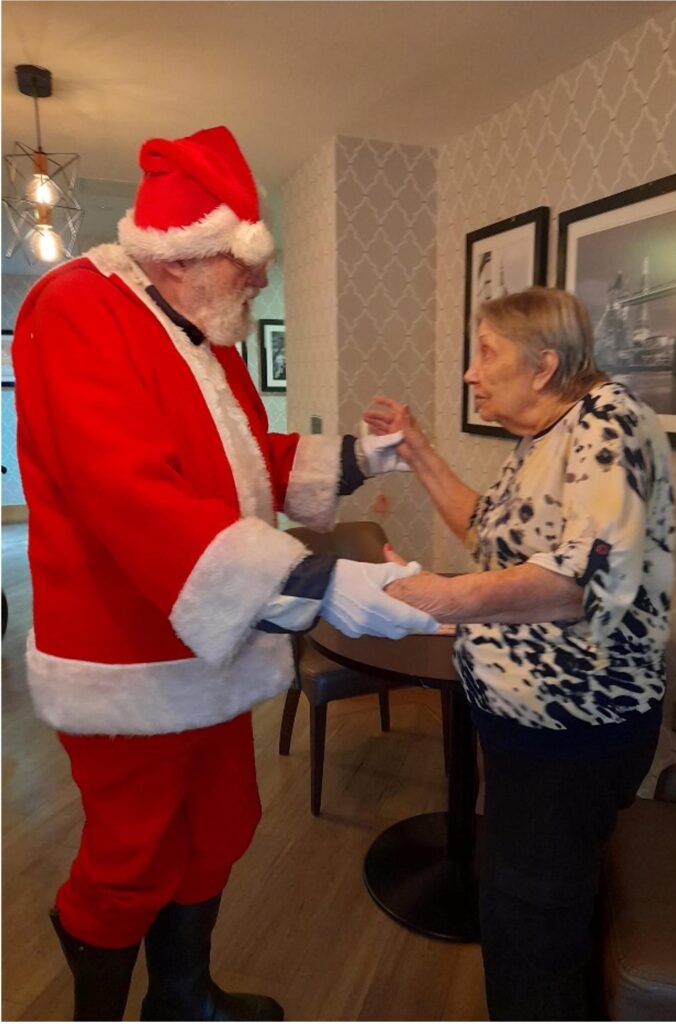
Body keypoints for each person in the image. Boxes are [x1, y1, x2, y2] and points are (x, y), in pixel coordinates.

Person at [12, 125, 437, 1023]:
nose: (259, 280)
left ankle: (181, 997)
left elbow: (253, 458)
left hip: (213, 643)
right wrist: (319, 582)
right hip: (127, 654)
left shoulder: (207, 340)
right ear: (184, 256)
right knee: (130, 858)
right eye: (247, 263)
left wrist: (362, 457)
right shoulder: (73, 307)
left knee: (217, 828)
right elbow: (127, 494)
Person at [366, 286, 675, 1021]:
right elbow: (485, 526)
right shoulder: (542, 437)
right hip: (520, 730)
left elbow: (582, 583)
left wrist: (446, 598)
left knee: (531, 924)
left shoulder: (610, 421)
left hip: (573, 735)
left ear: (541, 366)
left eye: (484, 353)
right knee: (519, 905)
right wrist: (416, 449)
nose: (470, 373)